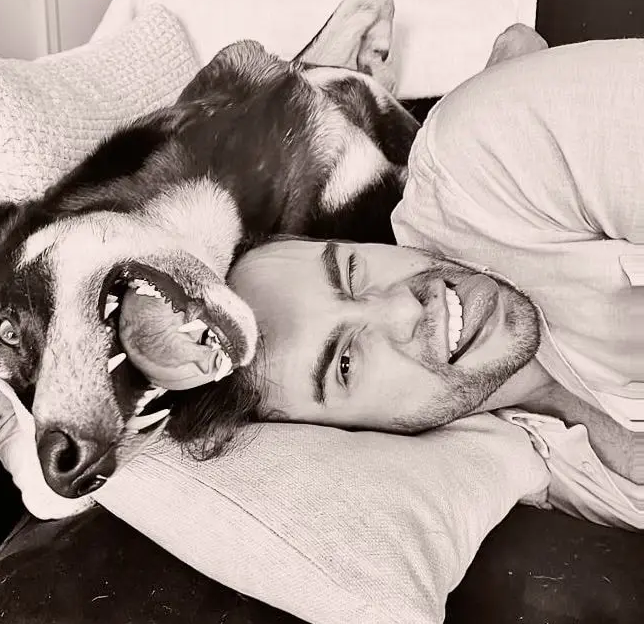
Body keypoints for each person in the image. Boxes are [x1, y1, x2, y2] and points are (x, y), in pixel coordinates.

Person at [226, 35, 644, 530]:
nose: (405, 308)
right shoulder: (515, 459)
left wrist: (510, 93)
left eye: (353, 271)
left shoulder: (483, 151)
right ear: (347, 433)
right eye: (345, 364)